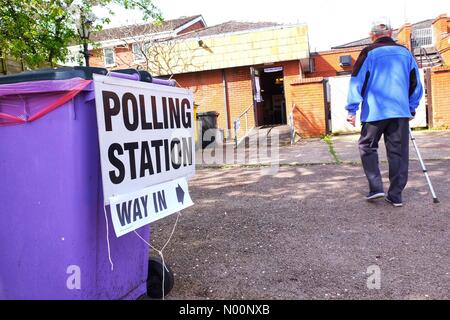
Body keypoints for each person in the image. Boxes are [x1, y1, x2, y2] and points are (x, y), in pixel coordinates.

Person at [346, 17, 423, 207]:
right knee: (398, 153)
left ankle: (376, 187)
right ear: (390, 34)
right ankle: (396, 195)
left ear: (372, 36)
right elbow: (415, 84)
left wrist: (352, 109)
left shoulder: (368, 52)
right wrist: (411, 107)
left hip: (375, 112)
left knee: (367, 146)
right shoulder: (405, 53)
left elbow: (357, 80)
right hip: (399, 112)